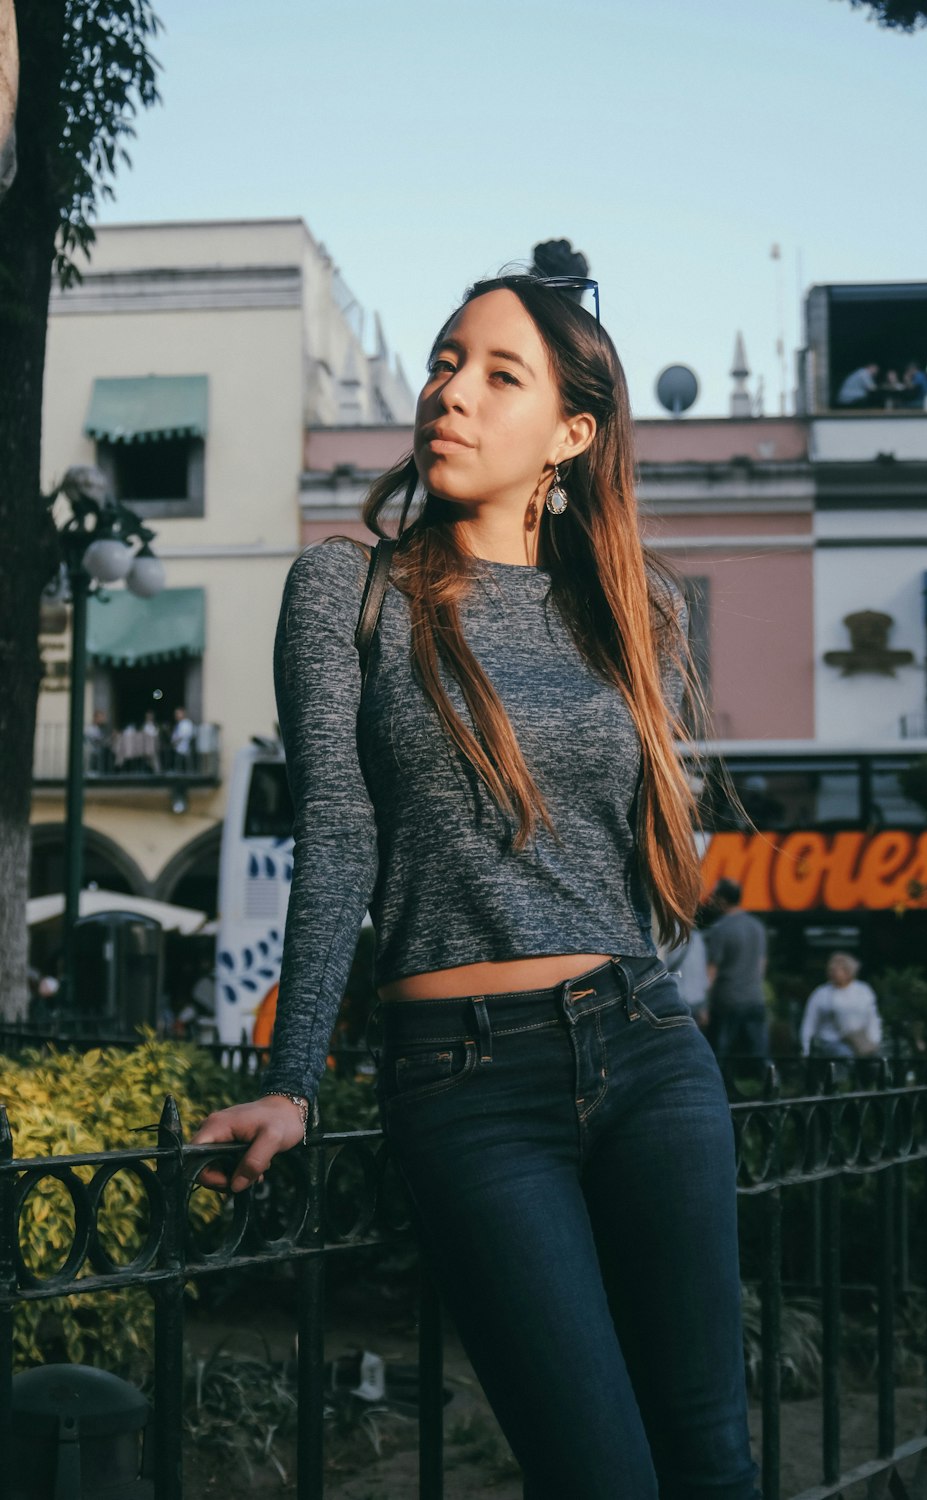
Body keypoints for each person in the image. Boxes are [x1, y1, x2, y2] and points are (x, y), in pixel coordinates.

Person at [190, 273, 761, 1500]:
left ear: (571, 435)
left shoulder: (632, 610)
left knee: (713, 1456)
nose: (450, 391)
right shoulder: (349, 591)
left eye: (500, 373)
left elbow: (635, 849)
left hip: (649, 1048)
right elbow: (337, 835)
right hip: (464, 1079)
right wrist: (292, 1086)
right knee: (599, 1475)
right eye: (448, 361)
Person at [704, 878, 769, 1063]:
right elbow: (761, 965)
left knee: (720, 1055)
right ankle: (770, 1085)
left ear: (723, 900)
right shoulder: (757, 926)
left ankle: (721, 1090)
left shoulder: (720, 929)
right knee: (760, 1052)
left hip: (727, 999)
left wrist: (705, 1003)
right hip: (754, 997)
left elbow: (711, 971)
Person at [799, 952, 882, 1060]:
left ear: (849, 971)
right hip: (831, 1041)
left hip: (859, 1040)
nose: (832, 972)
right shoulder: (821, 993)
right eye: (831, 969)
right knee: (845, 1056)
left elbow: (872, 1018)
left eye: (837, 969)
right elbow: (809, 1022)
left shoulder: (863, 991)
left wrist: (875, 1040)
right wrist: (806, 1048)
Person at [170, 705, 195, 771]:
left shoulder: (187, 723)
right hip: (178, 747)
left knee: (187, 764)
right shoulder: (179, 723)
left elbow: (186, 734)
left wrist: (177, 739)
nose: (177, 715)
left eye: (178, 713)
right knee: (178, 764)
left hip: (184, 746)